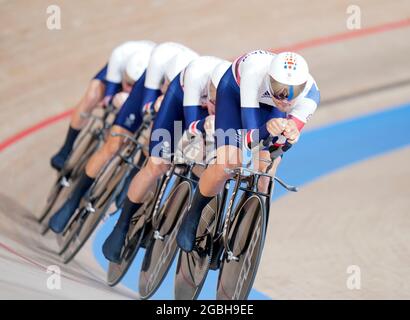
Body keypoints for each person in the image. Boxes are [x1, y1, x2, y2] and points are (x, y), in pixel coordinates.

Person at [176, 51, 321, 252]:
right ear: (269, 79)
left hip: (268, 108)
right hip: (234, 96)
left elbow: (278, 146)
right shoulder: (254, 72)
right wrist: (267, 129)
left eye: (293, 92)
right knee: (227, 162)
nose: (285, 99)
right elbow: (249, 137)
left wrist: (290, 135)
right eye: (279, 89)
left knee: (266, 169)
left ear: (303, 88)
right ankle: (193, 215)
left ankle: (245, 227)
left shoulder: (311, 96)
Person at [48, 42, 198, 234]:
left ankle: (132, 177)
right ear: (165, 79)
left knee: (157, 142)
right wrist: (153, 106)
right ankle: (73, 200)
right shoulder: (157, 64)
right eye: (168, 86)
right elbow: (146, 107)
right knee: (114, 144)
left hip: (174, 100)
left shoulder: (190, 84)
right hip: (145, 93)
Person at [102, 57, 231, 263]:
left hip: (211, 118)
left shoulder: (235, 94)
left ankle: (183, 211)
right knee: (157, 165)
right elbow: (190, 125)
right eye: (213, 102)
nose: (215, 107)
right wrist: (204, 124)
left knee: (214, 162)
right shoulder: (197, 76)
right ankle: (122, 225)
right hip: (180, 102)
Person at [50, 41, 156, 171]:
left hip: (147, 87)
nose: (128, 90)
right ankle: (66, 149)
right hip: (121, 67)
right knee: (92, 96)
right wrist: (110, 100)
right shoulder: (120, 56)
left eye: (132, 87)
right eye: (128, 84)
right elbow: (108, 97)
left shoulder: (154, 79)